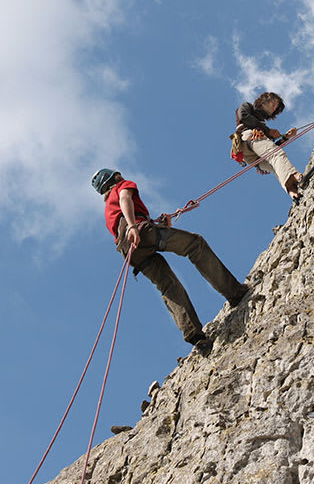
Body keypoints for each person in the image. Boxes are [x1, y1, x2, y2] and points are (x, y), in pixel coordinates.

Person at [91, 168, 248, 349]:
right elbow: (125, 198)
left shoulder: (108, 209)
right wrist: (134, 226)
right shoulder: (122, 186)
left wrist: (155, 225)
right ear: (116, 177)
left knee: (168, 285)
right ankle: (234, 292)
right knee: (195, 245)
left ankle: (195, 336)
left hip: (131, 251)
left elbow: (123, 223)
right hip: (140, 233)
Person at [235, 92, 302, 202]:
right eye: (274, 102)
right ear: (263, 100)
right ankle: (295, 175)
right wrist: (267, 131)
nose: (275, 107)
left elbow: (270, 148)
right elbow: (244, 116)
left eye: (276, 108)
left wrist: (286, 137)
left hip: (252, 157)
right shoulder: (247, 106)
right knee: (276, 155)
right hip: (248, 136)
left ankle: (292, 192)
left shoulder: (262, 125)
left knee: (275, 165)